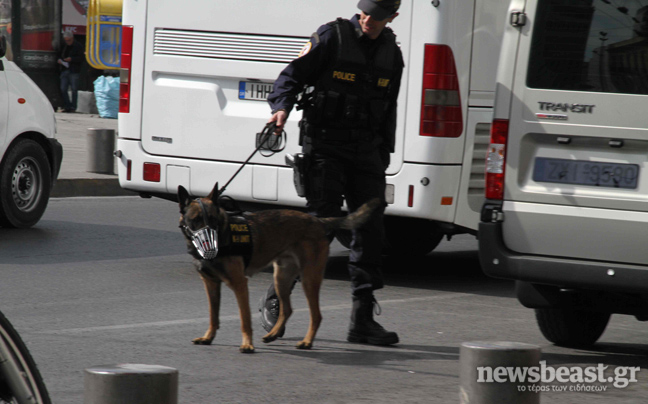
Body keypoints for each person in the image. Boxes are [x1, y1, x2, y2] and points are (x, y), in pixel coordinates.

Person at [260, 0, 404, 345]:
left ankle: (363, 319)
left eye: (378, 16)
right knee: (317, 227)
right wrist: (280, 109)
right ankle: (278, 298)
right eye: (366, 13)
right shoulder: (332, 37)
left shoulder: (391, 53)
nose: (369, 20)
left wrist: (383, 154)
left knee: (370, 232)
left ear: (392, 17)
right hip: (325, 147)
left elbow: (389, 106)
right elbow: (290, 76)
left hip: (367, 152)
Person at [58, 31, 84, 112]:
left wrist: (72, 59)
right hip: (65, 69)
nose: (67, 42)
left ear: (72, 38)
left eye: (69, 40)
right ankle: (67, 105)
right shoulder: (64, 46)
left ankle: (73, 107)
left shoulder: (78, 46)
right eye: (66, 40)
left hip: (74, 70)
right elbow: (59, 54)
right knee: (63, 88)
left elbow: (81, 58)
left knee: (74, 89)